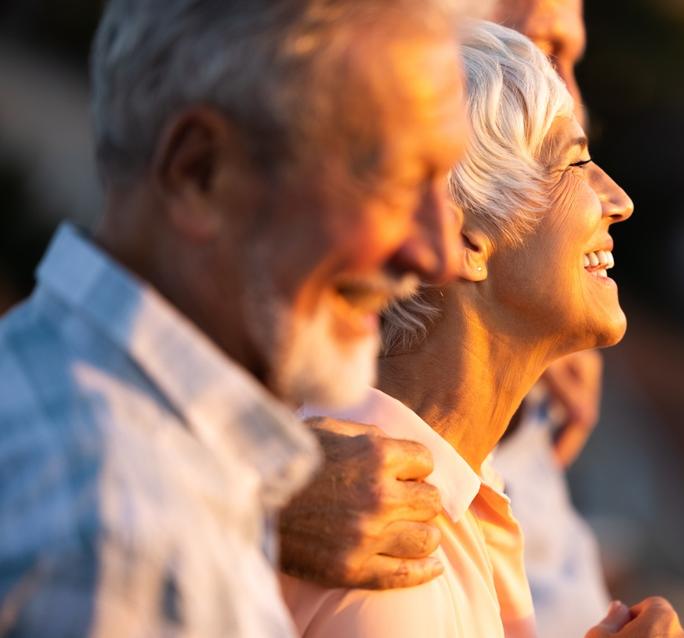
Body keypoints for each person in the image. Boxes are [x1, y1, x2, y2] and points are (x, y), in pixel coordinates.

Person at [0, 0, 468, 635]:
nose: (438, 254)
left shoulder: (52, 391)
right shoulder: (132, 538)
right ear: (201, 173)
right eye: (393, 179)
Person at [280, 20, 684, 638]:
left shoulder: (450, 502)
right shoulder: (381, 540)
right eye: (575, 161)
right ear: (460, 237)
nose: (618, 197)